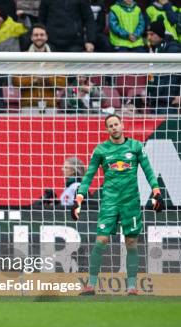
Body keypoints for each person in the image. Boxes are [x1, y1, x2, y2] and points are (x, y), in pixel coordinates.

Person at [71, 114, 162, 296]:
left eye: (116, 124)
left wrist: (156, 191)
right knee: (101, 241)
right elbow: (89, 175)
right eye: (110, 125)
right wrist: (79, 198)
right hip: (109, 202)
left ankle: (131, 287)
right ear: (107, 130)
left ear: (122, 125)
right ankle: (91, 284)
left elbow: (149, 171)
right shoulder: (101, 150)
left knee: (131, 242)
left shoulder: (135, 146)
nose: (113, 127)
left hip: (131, 202)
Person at [146, 19, 180, 114]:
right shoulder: (155, 49)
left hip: (168, 101)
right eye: (148, 34)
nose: (148, 37)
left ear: (160, 34)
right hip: (155, 100)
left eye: (152, 34)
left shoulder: (174, 49)